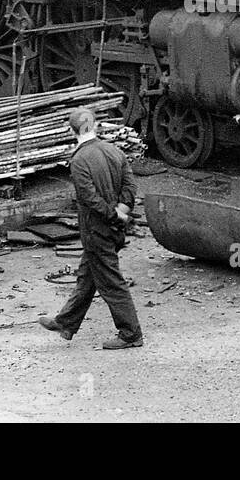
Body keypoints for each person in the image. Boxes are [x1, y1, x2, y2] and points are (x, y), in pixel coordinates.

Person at [38, 108, 144, 349]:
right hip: (116, 228)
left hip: (97, 231)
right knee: (87, 277)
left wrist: (110, 215)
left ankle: (131, 333)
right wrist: (122, 213)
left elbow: (89, 199)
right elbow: (130, 187)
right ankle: (66, 322)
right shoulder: (114, 151)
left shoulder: (79, 161)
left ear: (71, 130)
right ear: (95, 125)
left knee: (111, 283)